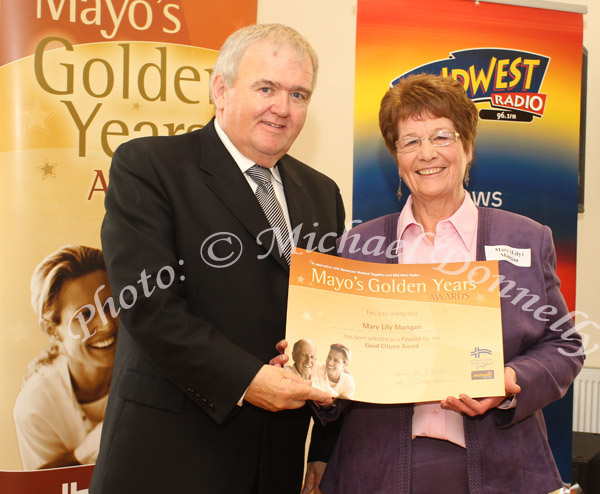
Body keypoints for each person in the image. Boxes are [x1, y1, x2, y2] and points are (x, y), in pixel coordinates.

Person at [90, 24, 345, 494]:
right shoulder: (149, 166)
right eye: (265, 88)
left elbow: (331, 322)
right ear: (221, 89)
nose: (282, 108)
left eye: (298, 94)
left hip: (278, 458)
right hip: (171, 456)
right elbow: (148, 305)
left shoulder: (322, 194)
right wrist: (247, 379)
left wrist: (326, 446)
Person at [309, 74, 584, 494]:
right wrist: (312, 372)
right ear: (396, 157)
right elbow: (339, 372)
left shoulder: (525, 238)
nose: (427, 153)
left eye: (442, 136)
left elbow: (564, 345)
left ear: (467, 147)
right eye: (410, 141)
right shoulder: (358, 247)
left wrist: (512, 379)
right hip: (376, 470)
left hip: (503, 469)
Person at [13, 245, 117, 470]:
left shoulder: (150, 361)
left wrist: (81, 454)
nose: (107, 323)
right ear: (52, 330)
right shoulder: (35, 408)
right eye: (85, 315)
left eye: (110, 305)